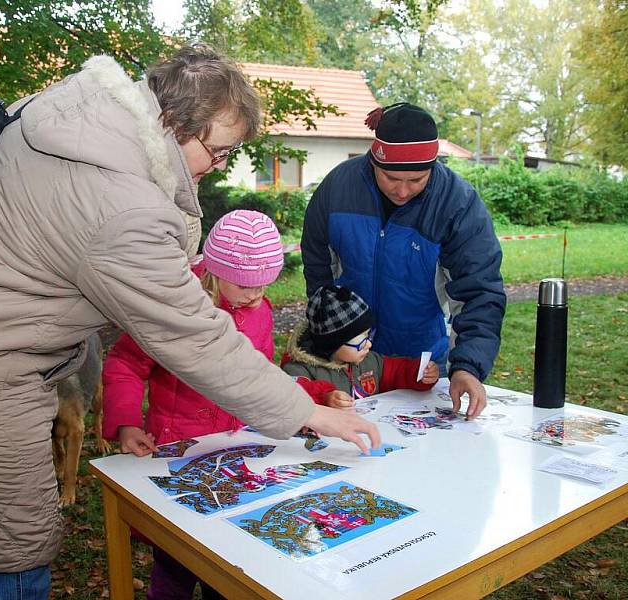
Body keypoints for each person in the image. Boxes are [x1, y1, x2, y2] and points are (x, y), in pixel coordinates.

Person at [0, 44, 379, 599]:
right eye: (218, 152)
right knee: (9, 543)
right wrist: (304, 411)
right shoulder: (123, 205)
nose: (218, 167)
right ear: (173, 123)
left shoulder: (64, 116)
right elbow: (193, 336)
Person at [104, 210, 315, 600]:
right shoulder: (173, 310)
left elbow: (260, 374)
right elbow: (125, 363)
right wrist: (127, 422)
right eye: (243, 285)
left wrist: (288, 411)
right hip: (177, 450)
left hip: (233, 454)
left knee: (229, 565)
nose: (254, 294)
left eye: (264, 285)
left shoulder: (260, 310)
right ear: (214, 272)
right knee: (175, 566)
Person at [301, 102, 506, 420]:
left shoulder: (457, 204)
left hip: (422, 369)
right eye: (391, 178)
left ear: (433, 166)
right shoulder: (337, 189)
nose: (402, 190)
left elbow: (480, 293)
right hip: (347, 367)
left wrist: (467, 366)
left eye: (416, 180)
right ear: (374, 160)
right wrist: (329, 339)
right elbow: (318, 273)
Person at [282, 285, 439, 406]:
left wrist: (420, 372)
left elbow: (398, 371)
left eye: (368, 335)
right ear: (333, 344)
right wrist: (325, 398)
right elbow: (292, 393)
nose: (369, 344)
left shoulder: (369, 361)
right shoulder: (300, 367)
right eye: (361, 341)